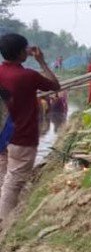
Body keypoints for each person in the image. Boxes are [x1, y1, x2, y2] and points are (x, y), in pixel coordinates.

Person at [0, 33, 59, 221]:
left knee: (5, 176)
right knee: (14, 182)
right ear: (20, 53)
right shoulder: (28, 76)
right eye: (25, 48)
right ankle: (4, 223)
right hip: (21, 136)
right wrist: (41, 61)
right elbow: (55, 85)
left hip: (4, 135)